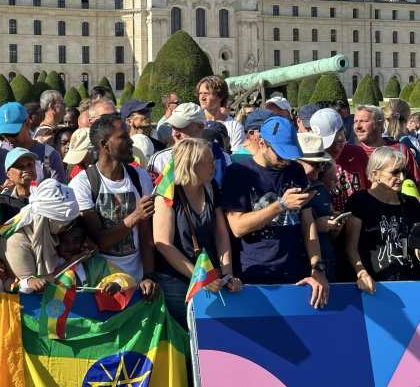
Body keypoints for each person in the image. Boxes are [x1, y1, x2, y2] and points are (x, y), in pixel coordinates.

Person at [221, 116, 329, 308]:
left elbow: (307, 222)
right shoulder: (238, 173)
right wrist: (280, 205)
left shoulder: (295, 170)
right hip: (255, 277)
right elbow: (237, 227)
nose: (285, 162)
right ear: (262, 143)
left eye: (290, 156)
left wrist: (317, 267)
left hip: (297, 275)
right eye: (280, 155)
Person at [153, 138, 242, 327]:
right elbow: (163, 244)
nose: (214, 166)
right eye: (209, 162)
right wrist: (200, 278)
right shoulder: (168, 193)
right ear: (192, 164)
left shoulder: (212, 188)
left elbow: (221, 234)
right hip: (176, 281)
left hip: (210, 277)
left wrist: (227, 273)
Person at [68, 115, 157, 294]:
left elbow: (146, 236)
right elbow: (101, 241)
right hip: (101, 284)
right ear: (104, 144)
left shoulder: (139, 177)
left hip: (137, 283)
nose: (130, 141)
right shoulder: (82, 184)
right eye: (123, 137)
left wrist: (148, 276)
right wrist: (135, 216)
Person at [345, 147, 420, 291]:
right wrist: (361, 273)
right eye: (395, 172)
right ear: (375, 174)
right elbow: (350, 247)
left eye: (403, 171)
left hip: (411, 283)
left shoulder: (411, 203)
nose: (402, 178)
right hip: (375, 284)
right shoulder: (359, 201)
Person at [0, 178, 80, 292]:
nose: (69, 227)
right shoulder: (16, 241)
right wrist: (73, 262)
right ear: (48, 218)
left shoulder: (47, 229)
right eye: (67, 223)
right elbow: (33, 290)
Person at [0, 102, 67, 186]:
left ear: (27, 123)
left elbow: (61, 194)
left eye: (13, 133)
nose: (9, 138)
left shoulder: (50, 155)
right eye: (4, 134)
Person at [296, 132, 340, 281]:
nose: (318, 169)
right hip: (302, 268)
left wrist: (335, 225)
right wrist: (316, 225)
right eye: (314, 164)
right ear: (296, 161)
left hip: (326, 264)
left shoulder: (320, 188)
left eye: (321, 164)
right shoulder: (285, 189)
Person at [310, 108, 369, 213]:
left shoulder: (357, 153)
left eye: (340, 140)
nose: (336, 148)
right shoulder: (311, 162)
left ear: (344, 131)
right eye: (329, 145)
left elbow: (370, 187)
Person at [353, 105, 420, 182]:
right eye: (355, 121)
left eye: (363, 121)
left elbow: (416, 183)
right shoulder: (352, 154)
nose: (357, 126)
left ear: (379, 124)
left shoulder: (400, 150)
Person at [197, 76, 245, 148]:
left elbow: (236, 156)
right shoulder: (194, 122)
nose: (202, 98)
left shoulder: (234, 126)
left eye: (206, 93)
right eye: (200, 93)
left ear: (220, 97)